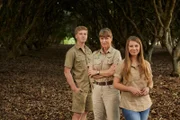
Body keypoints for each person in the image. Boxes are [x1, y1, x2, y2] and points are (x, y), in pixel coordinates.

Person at [113, 36, 153, 120]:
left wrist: (148, 88)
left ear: (140, 47)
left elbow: (150, 81)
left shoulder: (146, 64)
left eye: (136, 46)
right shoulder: (122, 64)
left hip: (145, 103)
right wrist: (129, 88)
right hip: (129, 104)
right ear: (127, 48)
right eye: (131, 46)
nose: (134, 48)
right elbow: (115, 84)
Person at [88, 28, 122, 120]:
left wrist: (97, 72)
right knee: (98, 117)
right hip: (96, 90)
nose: (104, 40)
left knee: (112, 118)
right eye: (102, 38)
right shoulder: (94, 54)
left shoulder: (116, 53)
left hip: (111, 89)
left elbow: (113, 72)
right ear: (99, 39)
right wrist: (106, 72)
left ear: (111, 38)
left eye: (107, 38)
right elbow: (91, 73)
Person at [64, 26, 92, 120]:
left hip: (90, 88)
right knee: (77, 114)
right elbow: (67, 71)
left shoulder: (89, 51)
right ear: (76, 36)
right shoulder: (71, 52)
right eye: (81, 34)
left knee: (86, 112)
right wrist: (74, 88)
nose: (83, 36)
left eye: (85, 34)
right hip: (80, 89)